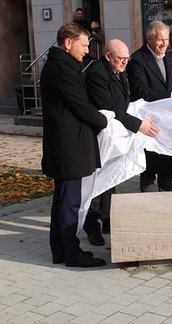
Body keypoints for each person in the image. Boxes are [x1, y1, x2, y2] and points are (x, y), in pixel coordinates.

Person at [41, 23, 109, 267]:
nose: (86, 50)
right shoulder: (62, 67)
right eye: (83, 45)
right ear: (68, 43)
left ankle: (60, 250)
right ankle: (71, 253)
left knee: (62, 200)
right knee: (69, 202)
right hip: (69, 147)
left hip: (66, 145)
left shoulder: (62, 64)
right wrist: (104, 120)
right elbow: (79, 105)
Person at [83, 39, 160, 245]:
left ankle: (108, 220)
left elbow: (123, 105)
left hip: (115, 136)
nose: (125, 63)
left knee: (111, 180)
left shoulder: (119, 72)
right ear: (108, 56)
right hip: (99, 136)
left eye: (127, 59)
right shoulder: (98, 74)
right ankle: (92, 227)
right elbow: (109, 108)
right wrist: (138, 125)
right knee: (97, 181)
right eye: (121, 59)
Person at [127, 20, 172, 192]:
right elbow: (141, 92)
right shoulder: (137, 60)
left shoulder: (168, 56)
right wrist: (171, 95)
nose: (165, 44)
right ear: (149, 39)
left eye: (167, 39)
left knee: (168, 169)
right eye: (161, 40)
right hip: (149, 124)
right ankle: (149, 211)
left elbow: (169, 86)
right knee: (149, 171)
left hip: (167, 124)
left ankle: (167, 208)